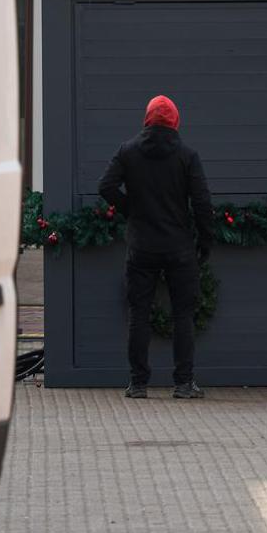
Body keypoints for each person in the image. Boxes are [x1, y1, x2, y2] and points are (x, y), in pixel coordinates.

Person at [97, 94, 215, 399]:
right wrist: (205, 240)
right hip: (179, 246)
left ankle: (138, 384)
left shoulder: (128, 151)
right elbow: (202, 202)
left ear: (147, 119)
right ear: (175, 120)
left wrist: (131, 209)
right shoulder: (187, 156)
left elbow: (105, 186)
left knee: (139, 314)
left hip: (141, 245)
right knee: (183, 315)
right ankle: (184, 383)